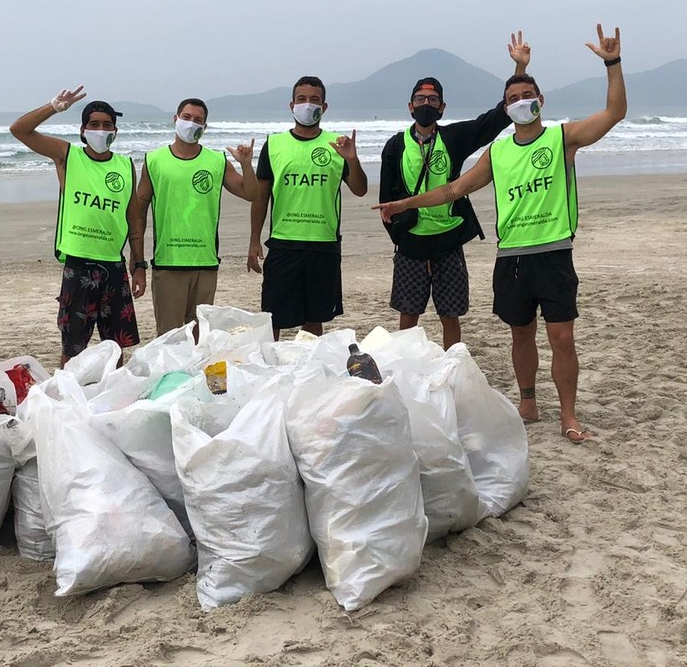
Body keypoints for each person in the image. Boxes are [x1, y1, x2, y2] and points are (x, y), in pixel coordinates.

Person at [374, 24, 626, 444]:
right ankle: (528, 401)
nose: (520, 103)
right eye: (512, 99)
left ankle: (568, 414)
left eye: (526, 96)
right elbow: (455, 188)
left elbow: (614, 113)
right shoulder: (498, 151)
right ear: (506, 108)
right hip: (510, 256)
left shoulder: (563, 138)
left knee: (562, 337)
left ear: (540, 101)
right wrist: (403, 204)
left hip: (553, 251)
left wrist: (612, 64)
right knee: (520, 332)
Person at [379, 33, 531, 349]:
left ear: (442, 107)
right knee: (408, 314)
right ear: (410, 106)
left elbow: (497, 118)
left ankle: (452, 366)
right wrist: (401, 235)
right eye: (420, 100)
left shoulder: (454, 138)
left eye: (432, 100)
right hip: (411, 245)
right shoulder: (394, 146)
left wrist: (519, 69)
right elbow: (387, 203)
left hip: (449, 240)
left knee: (450, 315)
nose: (425, 104)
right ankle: (406, 362)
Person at [10, 86, 147, 367]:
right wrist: (53, 106)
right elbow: (20, 130)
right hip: (79, 264)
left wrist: (139, 264)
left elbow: (134, 219)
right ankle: (67, 399)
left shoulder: (124, 165)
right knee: (73, 346)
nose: (101, 130)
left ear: (115, 132)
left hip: (113, 265)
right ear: (83, 130)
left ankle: (114, 399)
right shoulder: (67, 155)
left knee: (116, 348)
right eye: (94, 124)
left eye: (107, 125)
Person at [247, 76, 368, 340]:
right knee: (273, 318)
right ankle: (270, 369)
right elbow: (260, 197)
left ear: (324, 107)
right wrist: (254, 240)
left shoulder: (338, 145)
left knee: (315, 320)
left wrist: (353, 160)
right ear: (291, 105)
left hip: (323, 244)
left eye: (314, 100)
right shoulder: (275, 144)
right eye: (301, 99)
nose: (307, 105)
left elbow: (360, 189)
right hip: (283, 243)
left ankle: (309, 369)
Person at [136, 98, 259, 336]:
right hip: (168, 264)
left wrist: (246, 164)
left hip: (206, 263)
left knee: (199, 338)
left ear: (205, 126)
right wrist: (137, 261)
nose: (192, 123)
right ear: (176, 119)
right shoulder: (154, 161)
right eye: (187, 117)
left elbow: (250, 193)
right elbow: (138, 215)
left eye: (198, 120)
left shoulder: (216, 161)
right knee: (170, 338)